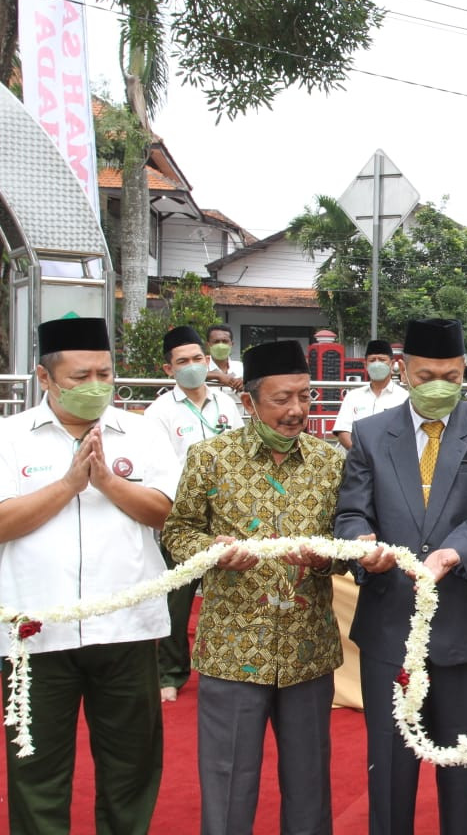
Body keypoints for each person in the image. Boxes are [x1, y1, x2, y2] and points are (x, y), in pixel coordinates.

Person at [335, 318, 467, 835]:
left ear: (465, 371)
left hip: (465, 620)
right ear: (402, 370)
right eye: (425, 375)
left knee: (459, 767)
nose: (438, 384)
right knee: (390, 770)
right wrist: (362, 546)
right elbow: (352, 512)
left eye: (450, 375)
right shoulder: (373, 434)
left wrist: (452, 553)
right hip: (390, 622)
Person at [0, 317, 177, 833]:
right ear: (44, 377)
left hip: (126, 627)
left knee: (131, 766)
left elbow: (164, 511)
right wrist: (70, 484)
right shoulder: (9, 438)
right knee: (36, 768)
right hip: (36, 631)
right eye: (80, 377)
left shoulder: (141, 432)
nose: (95, 385)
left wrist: (105, 481)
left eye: (105, 373)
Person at [162, 340, 346, 834]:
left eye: (305, 397)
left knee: (309, 784)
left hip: (306, 646)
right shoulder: (211, 458)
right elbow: (177, 532)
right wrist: (212, 551)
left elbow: (344, 543)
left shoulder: (330, 463)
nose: (296, 411)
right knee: (227, 782)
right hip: (232, 646)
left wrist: (324, 558)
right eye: (281, 399)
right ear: (249, 402)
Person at [144, 325, 245, 703]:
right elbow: (162, 469)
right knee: (178, 596)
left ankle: (234, 664)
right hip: (184, 516)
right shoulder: (159, 412)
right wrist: (190, 508)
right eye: (182, 362)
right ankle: (170, 672)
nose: (192, 366)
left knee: (235, 589)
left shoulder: (225, 405)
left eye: (197, 359)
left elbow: (240, 453)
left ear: (208, 361)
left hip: (229, 512)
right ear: (169, 370)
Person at [333, 339, 409, 450]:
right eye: (372, 360)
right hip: (358, 461)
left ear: (392, 364)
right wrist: (361, 456)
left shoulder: (404, 398)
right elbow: (343, 431)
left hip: (392, 460)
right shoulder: (353, 397)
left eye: (382, 360)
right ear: (365, 365)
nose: (377, 364)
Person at [206, 323, 244, 393]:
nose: (220, 345)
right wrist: (217, 375)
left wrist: (245, 382)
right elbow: (187, 377)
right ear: (208, 345)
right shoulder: (202, 367)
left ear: (231, 344)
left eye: (225, 341)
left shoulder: (241, 367)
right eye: (216, 341)